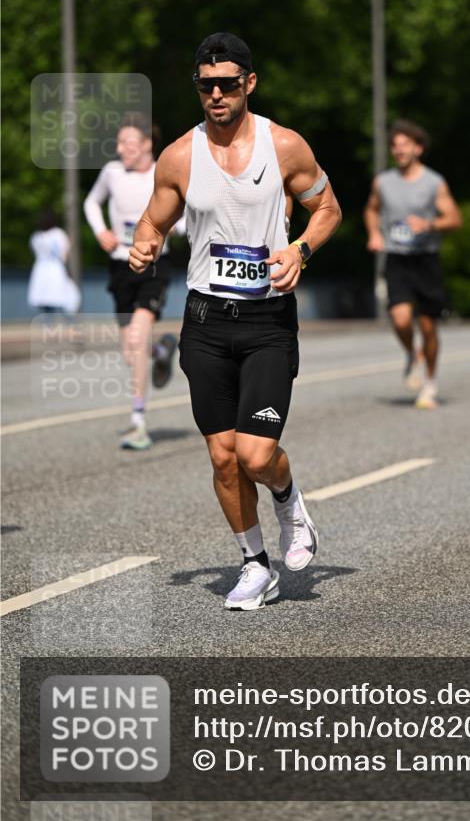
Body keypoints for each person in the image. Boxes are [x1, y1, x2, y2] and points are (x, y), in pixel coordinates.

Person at [128, 32, 341, 610]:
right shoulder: (178, 156)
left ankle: (289, 499)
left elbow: (327, 208)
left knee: (254, 455)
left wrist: (300, 249)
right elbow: (153, 221)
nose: (216, 94)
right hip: (204, 321)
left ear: (249, 82)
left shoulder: (285, 146)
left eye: (226, 83)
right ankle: (254, 564)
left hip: (267, 320)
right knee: (223, 456)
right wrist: (144, 245)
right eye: (205, 85)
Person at [84, 114, 182, 450]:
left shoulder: (162, 173)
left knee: (137, 337)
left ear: (146, 145)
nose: (122, 148)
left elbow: (181, 212)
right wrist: (101, 233)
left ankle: (138, 422)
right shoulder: (112, 173)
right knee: (131, 353)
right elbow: (91, 202)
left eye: (129, 142)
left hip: (154, 265)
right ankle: (162, 349)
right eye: (119, 142)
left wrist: (180, 227)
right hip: (119, 266)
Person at [364, 119, 462, 409]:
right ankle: (411, 354)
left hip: (426, 260)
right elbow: (371, 209)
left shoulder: (434, 182)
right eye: (395, 145)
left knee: (429, 327)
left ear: (418, 149)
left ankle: (429, 384)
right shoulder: (383, 182)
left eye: (405, 145)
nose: (399, 150)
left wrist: (429, 224)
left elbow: (454, 219)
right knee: (400, 318)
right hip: (397, 258)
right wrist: (374, 233)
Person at [27, 209, 80, 317]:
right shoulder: (58, 234)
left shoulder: (36, 236)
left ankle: (48, 323)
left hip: (40, 269)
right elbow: (64, 254)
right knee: (60, 297)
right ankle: (60, 323)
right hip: (55, 269)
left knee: (45, 299)